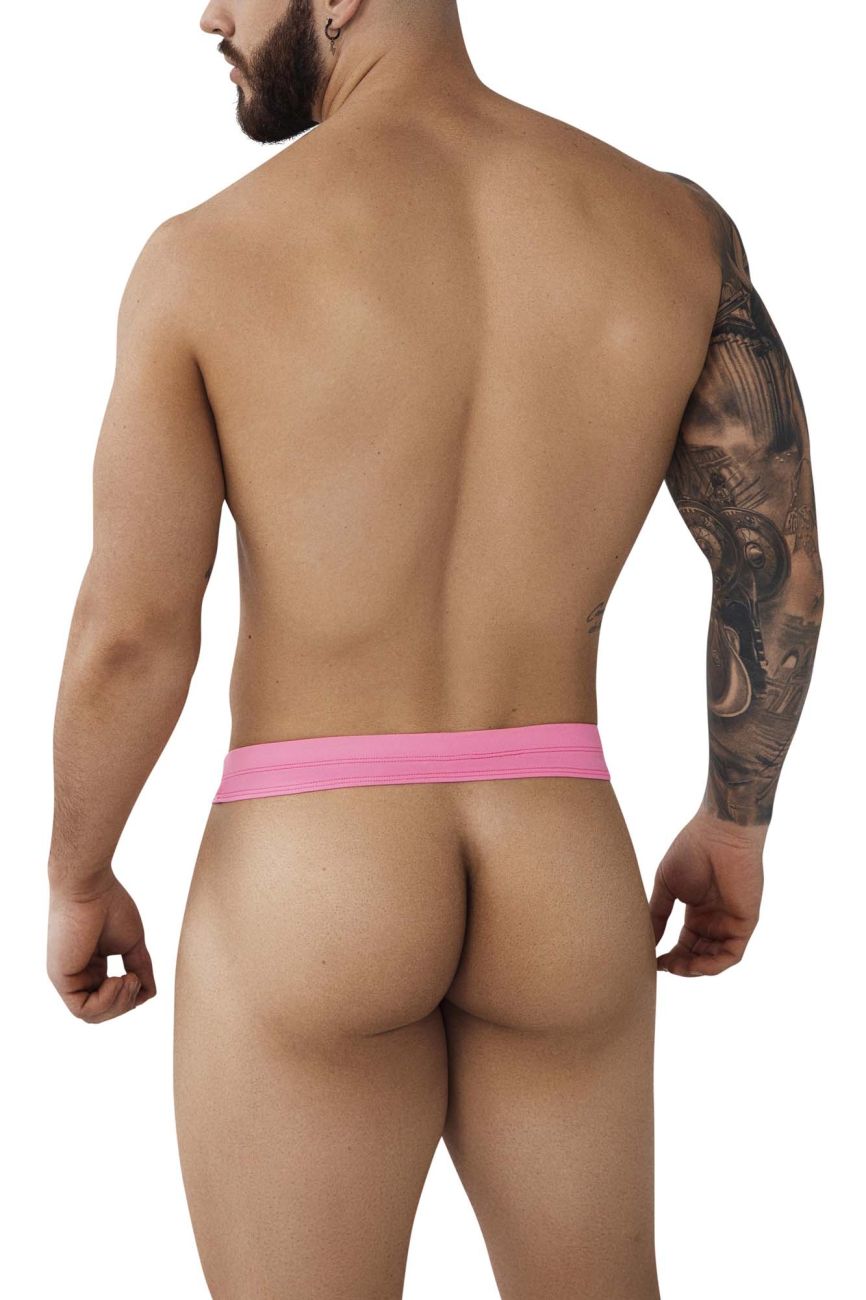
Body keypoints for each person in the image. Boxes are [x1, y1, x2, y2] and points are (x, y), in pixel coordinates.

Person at [45, 0, 825, 1296]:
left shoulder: (205, 258)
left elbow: (133, 635)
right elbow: (774, 563)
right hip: (560, 857)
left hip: (313, 866)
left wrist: (78, 875)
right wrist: (734, 825)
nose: (210, 14)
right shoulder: (671, 227)